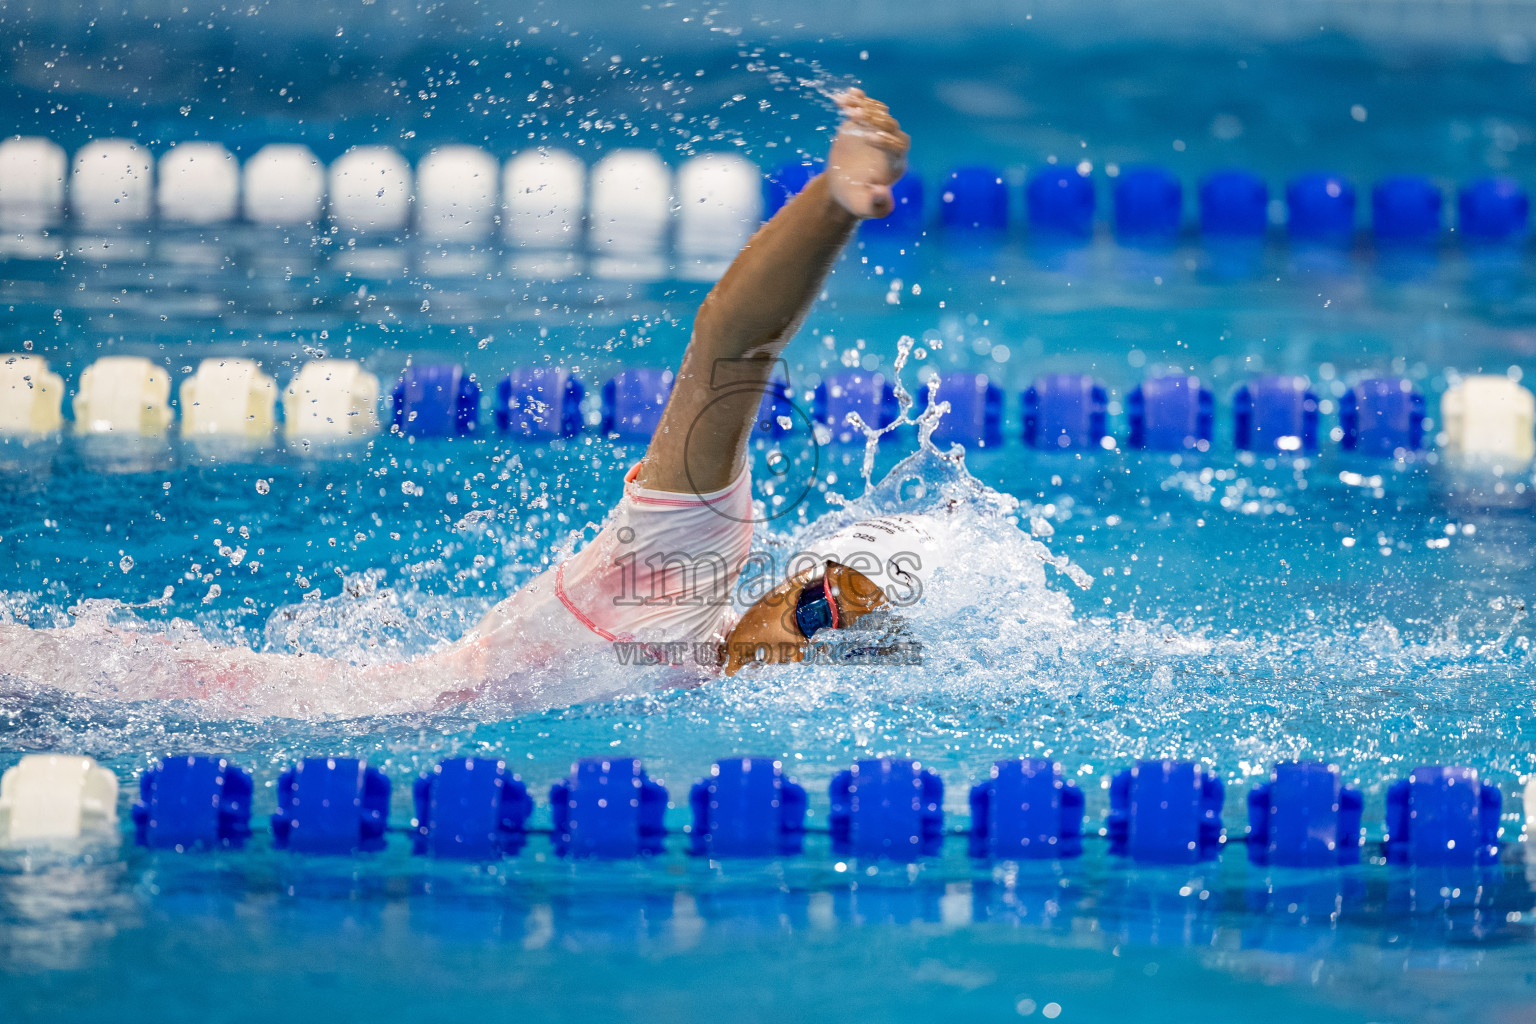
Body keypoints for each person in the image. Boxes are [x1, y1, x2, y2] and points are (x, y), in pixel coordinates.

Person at [0, 88, 933, 709]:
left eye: (833, 626)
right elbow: (734, 342)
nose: (803, 630)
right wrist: (835, 201)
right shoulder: (678, 571)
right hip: (181, 699)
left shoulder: (724, 705)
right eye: (813, 599)